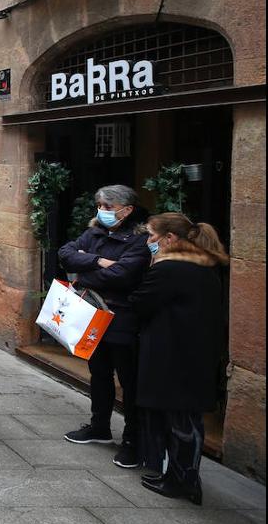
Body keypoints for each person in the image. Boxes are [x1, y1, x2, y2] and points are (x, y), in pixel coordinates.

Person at [132, 213, 228, 505]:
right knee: (187, 418)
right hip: (196, 352)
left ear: (169, 239)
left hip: (172, 353)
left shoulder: (171, 268)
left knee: (179, 420)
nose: (148, 242)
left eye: (151, 236)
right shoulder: (207, 266)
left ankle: (181, 480)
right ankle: (183, 477)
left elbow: (141, 302)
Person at [58, 184, 151, 469]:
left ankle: (133, 440)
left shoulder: (140, 238)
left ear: (127, 209)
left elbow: (124, 275)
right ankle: (99, 426)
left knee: (129, 379)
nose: (102, 211)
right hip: (92, 314)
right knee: (98, 372)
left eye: (108, 207)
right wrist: (98, 260)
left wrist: (86, 273)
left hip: (122, 317)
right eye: (100, 205)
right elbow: (65, 254)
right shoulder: (95, 230)